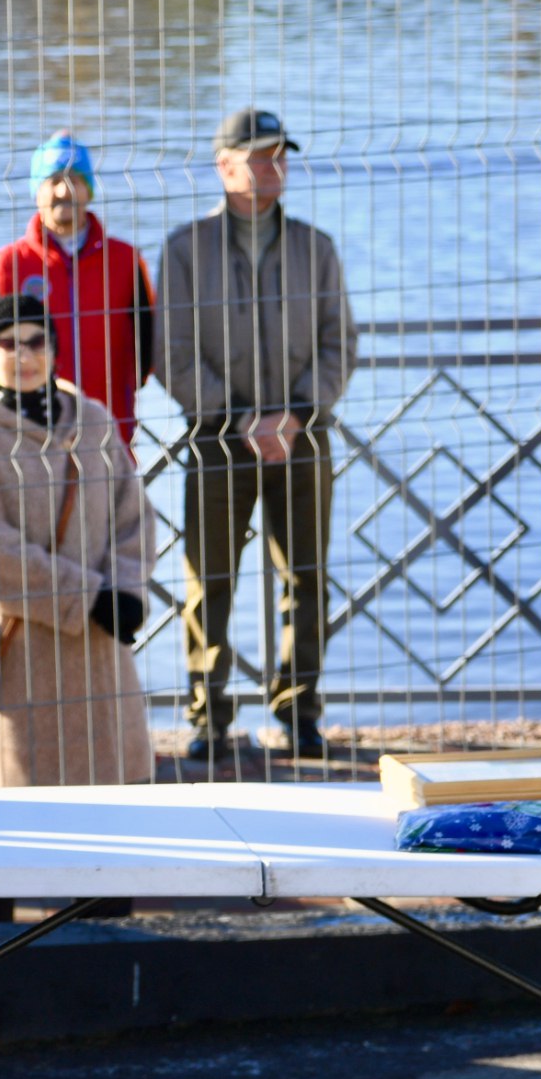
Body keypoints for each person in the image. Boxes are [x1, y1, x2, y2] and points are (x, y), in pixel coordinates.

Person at [159, 109, 357, 766]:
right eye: (260, 156)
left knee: (306, 578)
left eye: (281, 156)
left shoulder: (315, 247)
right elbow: (172, 353)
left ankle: (300, 715)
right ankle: (208, 718)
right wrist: (241, 418)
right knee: (208, 580)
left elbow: (340, 344)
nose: (274, 167)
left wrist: (294, 415)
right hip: (218, 441)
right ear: (225, 167)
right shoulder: (186, 250)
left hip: (304, 439)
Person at [0, 295, 155, 788]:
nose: (25, 355)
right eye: (7, 344)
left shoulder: (94, 421)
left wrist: (125, 589)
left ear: (55, 350)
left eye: (37, 342)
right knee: (24, 809)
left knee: (115, 798)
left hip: (98, 652)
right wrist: (86, 596)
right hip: (15, 656)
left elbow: (135, 517)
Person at [0, 131, 157, 447]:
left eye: (75, 180)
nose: (64, 191)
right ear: (36, 190)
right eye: (53, 180)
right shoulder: (4, 265)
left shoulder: (125, 260)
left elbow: (148, 347)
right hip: (26, 438)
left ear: (89, 190)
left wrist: (120, 395)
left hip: (108, 432)